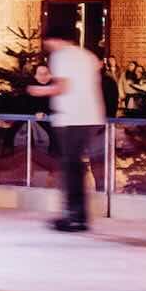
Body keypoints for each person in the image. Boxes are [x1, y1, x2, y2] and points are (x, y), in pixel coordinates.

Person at [30, 31, 104, 232]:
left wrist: (39, 90)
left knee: (70, 166)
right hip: (90, 116)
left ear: (55, 39)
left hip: (73, 118)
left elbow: (63, 86)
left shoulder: (61, 56)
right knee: (74, 165)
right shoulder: (87, 56)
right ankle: (79, 215)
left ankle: (73, 216)